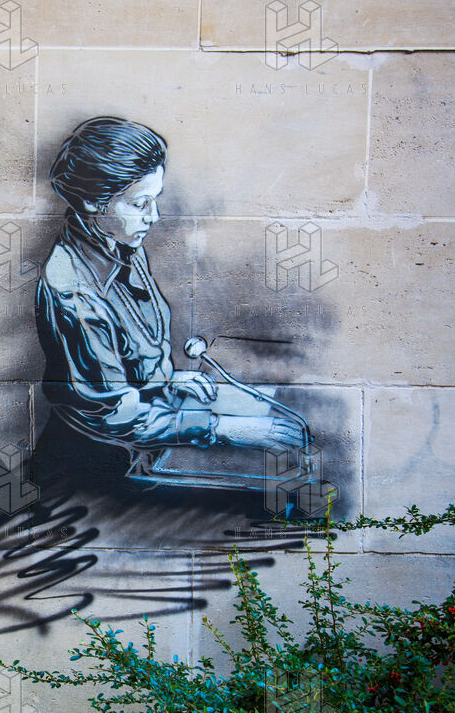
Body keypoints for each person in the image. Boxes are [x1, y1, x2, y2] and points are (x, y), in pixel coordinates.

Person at [35, 117, 304, 480]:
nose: (154, 217)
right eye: (139, 204)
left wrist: (166, 379)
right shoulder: (72, 290)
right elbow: (115, 415)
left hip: (144, 434)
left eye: (155, 200)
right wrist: (222, 427)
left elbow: (128, 356)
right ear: (92, 202)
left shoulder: (121, 243)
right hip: (94, 464)